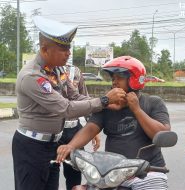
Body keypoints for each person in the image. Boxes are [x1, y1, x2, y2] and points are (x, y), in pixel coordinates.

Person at [12, 16, 126, 190]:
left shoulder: (58, 70)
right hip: (32, 147)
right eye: (63, 48)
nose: (69, 53)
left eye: (69, 47)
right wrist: (104, 100)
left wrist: (106, 104)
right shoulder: (32, 76)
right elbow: (65, 108)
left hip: (53, 145)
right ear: (44, 49)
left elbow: (75, 96)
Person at [57, 56, 171, 189]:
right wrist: (70, 146)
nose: (114, 83)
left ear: (134, 80)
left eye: (119, 78)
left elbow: (161, 133)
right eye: (113, 79)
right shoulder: (108, 107)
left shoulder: (153, 103)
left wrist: (137, 109)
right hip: (112, 174)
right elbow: (90, 129)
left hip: (148, 172)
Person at [59, 64, 100, 190]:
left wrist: (94, 130)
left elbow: (85, 101)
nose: (67, 52)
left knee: (74, 175)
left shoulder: (75, 70)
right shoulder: (47, 70)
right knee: (50, 173)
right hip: (54, 131)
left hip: (73, 130)